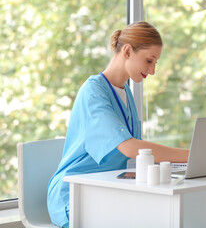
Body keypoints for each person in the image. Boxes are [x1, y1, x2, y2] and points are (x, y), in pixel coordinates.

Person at [47, 21, 190, 228]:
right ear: (127, 50)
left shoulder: (126, 93)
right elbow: (130, 147)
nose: (152, 71)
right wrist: (190, 155)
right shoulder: (93, 92)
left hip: (109, 190)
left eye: (155, 64)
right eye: (149, 61)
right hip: (75, 196)